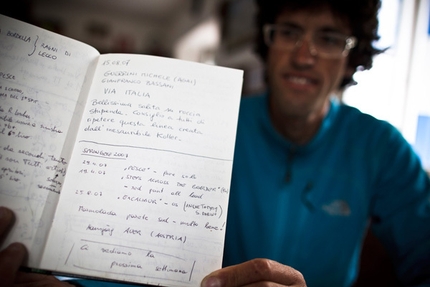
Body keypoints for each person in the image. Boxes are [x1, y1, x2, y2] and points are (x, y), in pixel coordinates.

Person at [1, 0, 430, 286]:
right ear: (267, 39)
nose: (304, 55)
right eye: (289, 32)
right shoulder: (213, 121)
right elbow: (134, 247)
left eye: (329, 38)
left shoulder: (383, 149)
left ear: (353, 56)